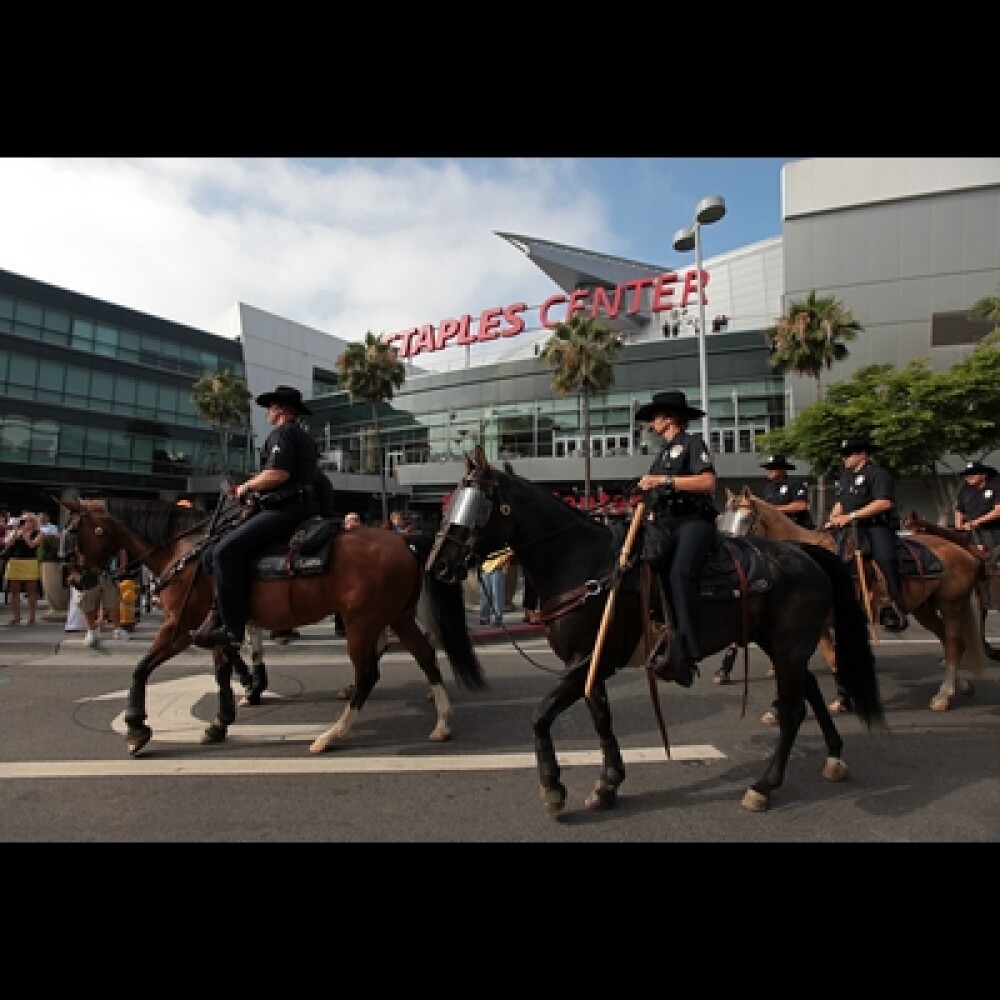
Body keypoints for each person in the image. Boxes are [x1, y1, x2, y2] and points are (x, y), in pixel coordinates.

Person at [193, 385, 320, 648]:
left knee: (223, 553)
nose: (267, 414)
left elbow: (277, 474)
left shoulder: (283, 434)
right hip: (301, 506)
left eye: (271, 408)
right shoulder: (304, 437)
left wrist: (245, 487)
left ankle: (232, 629)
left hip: (284, 509)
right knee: (216, 549)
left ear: (282, 410)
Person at [635, 390, 719, 687]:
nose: (651, 424)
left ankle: (690, 650)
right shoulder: (662, 454)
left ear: (669, 419)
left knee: (681, 573)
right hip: (667, 524)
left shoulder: (692, 444)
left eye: (655, 418)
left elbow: (708, 482)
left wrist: (663, 480)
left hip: (694, 522)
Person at [824, 436, 908, 632]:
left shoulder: (878, 475)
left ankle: (893, 605)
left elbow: (884, 502)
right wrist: (833, 518)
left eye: (848, 454)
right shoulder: (845, 477)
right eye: (843, 455)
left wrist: (851, 516)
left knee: (884, 558)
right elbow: (840, 503)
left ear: (862, 454)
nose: (844, 458)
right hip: (850, 528)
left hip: (876, 526)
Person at [2, 512, 42, 625]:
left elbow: (32, 545)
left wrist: (25, 535)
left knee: (31, 591)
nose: (26, 523)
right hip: (15, 562)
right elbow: (7, 545)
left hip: (30, 562)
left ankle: (32, 618)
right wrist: (14, 533)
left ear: (34, 522)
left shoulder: (38, 533)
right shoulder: (15, 533)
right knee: (14, 591)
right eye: (24, 521)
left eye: (29, 520)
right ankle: (16, 617)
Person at [954, 460, 1000, 551]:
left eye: (973, 473)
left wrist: (975, 522)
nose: (969, 477)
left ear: (984, 475)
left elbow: (998, 511)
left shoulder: (996, 488)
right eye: (967, 475)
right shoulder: (965, 492)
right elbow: (959, 510)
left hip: (994, 531)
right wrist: (959, 526)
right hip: (972, 533)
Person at [759, 454, 815, 528]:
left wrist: (774, 509)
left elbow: (801, 505)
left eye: (773, 468)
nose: (769, 471)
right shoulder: (768, 488)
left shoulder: (795, 484)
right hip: (776, 527)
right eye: (767, 468)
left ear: (783, 469)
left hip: (798, 528)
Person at [332, 511, 362, 636]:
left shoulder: (364, 536)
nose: (352, 523)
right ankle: (341, 627)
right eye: (350, 521)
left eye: (355, 520)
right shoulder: (340, 537)